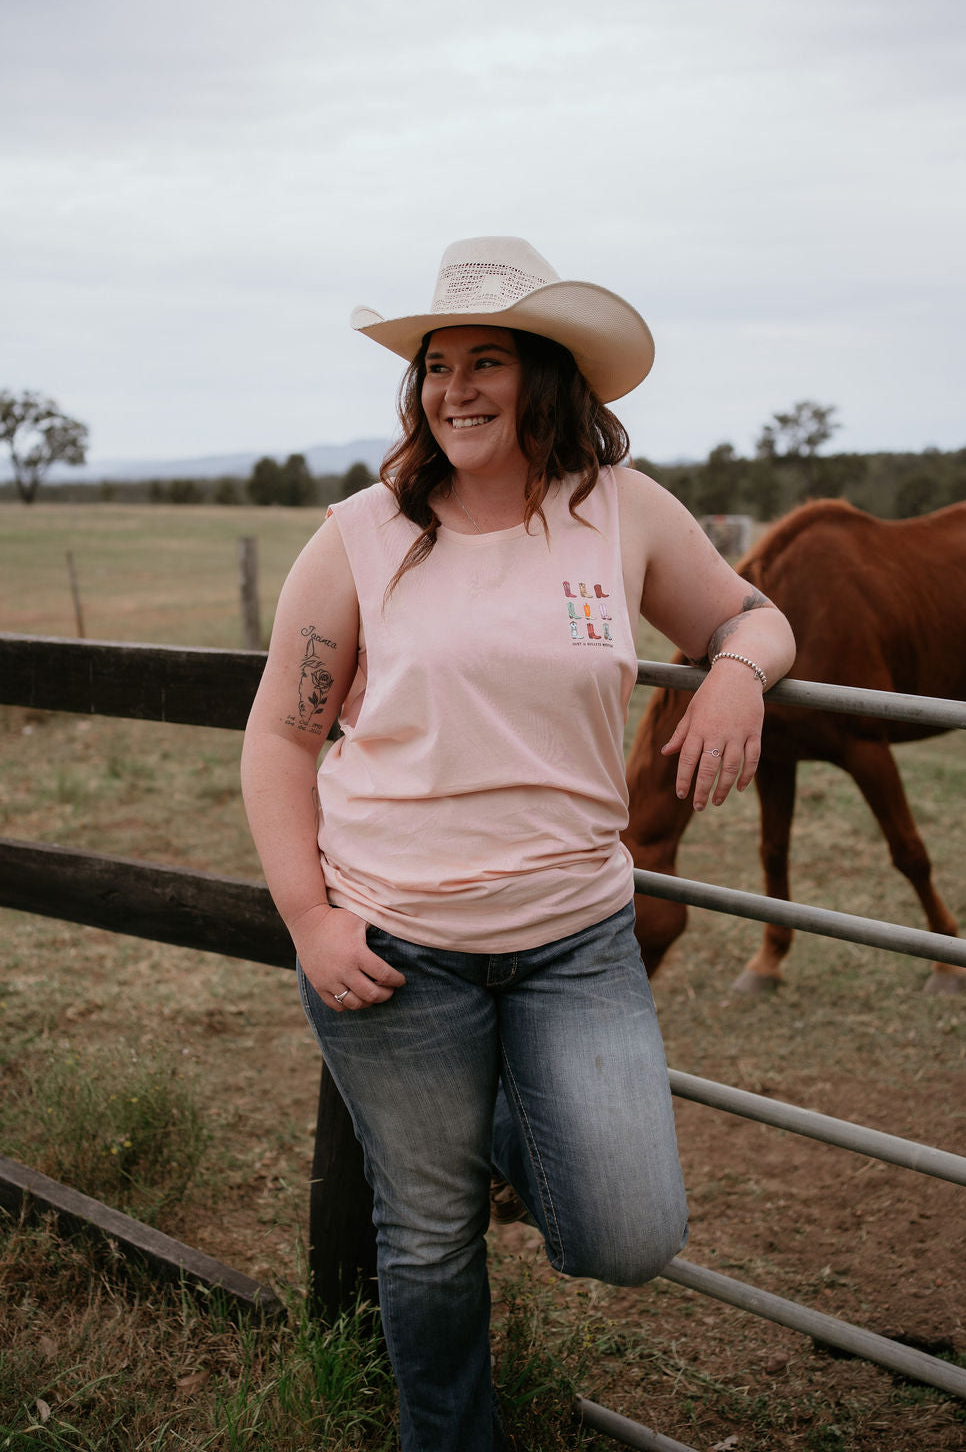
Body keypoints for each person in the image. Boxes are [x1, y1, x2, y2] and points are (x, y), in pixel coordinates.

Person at [240, 236, 796, 1452]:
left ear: (546, 375)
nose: (456, 390)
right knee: (429, 1235)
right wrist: (310, 919)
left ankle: (498, 1115)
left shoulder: (622, 511)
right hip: (395, 947)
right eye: (437, 367)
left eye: (485, 361)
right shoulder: (360, 537)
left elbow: (753, 617)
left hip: (576, 939)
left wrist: (735, 674)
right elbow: (280, 740)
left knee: (628, 1234)